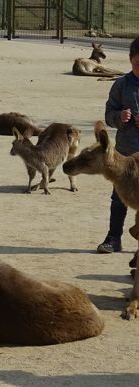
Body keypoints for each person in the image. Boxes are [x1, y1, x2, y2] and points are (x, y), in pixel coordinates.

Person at [97, 36, 139, 253]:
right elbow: (108, 114)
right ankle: (114, 238)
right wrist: (119, 117)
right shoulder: (122, 84)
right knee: (119, 197)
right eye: (138, 63)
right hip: (126, 151)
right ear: (131, 59)